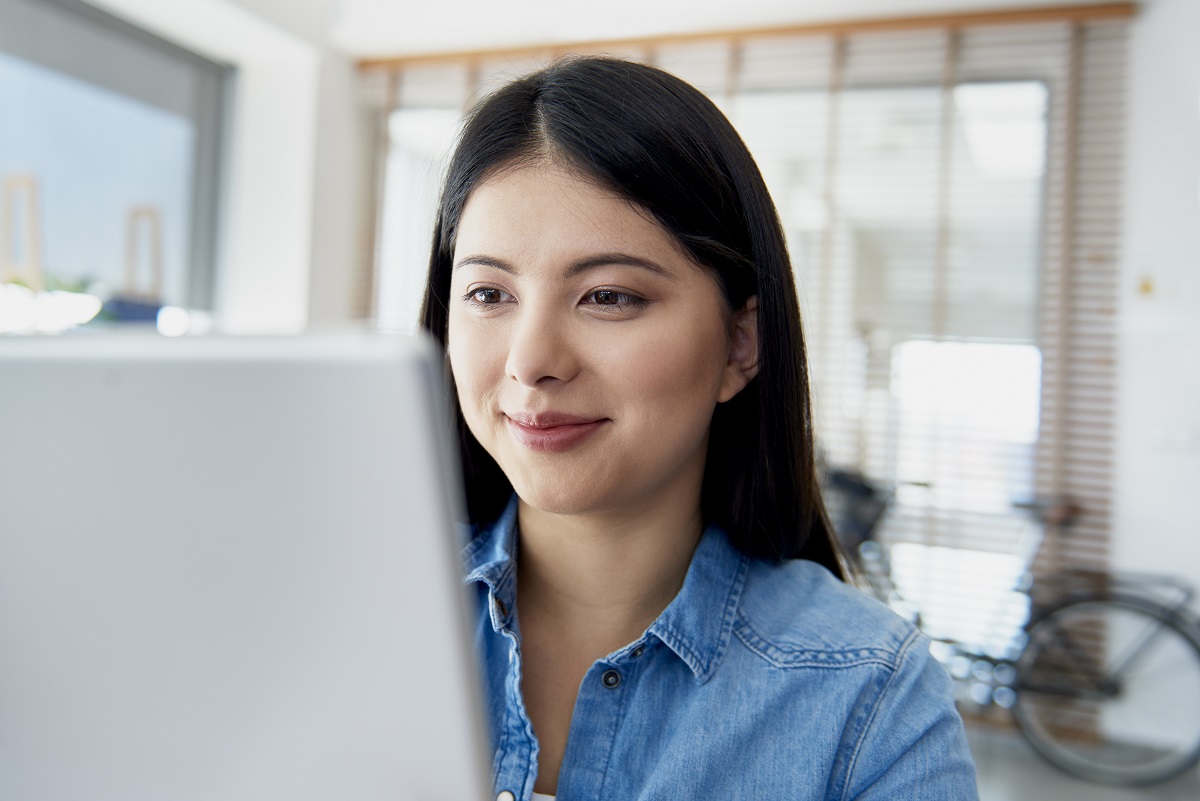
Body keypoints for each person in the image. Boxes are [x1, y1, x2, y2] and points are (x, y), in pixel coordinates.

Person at [420, 56, 978, 801]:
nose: (532, 362)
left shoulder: (868, 696)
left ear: (740, 344)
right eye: (489, 292)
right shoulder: (355, 614)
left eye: (609, 296)